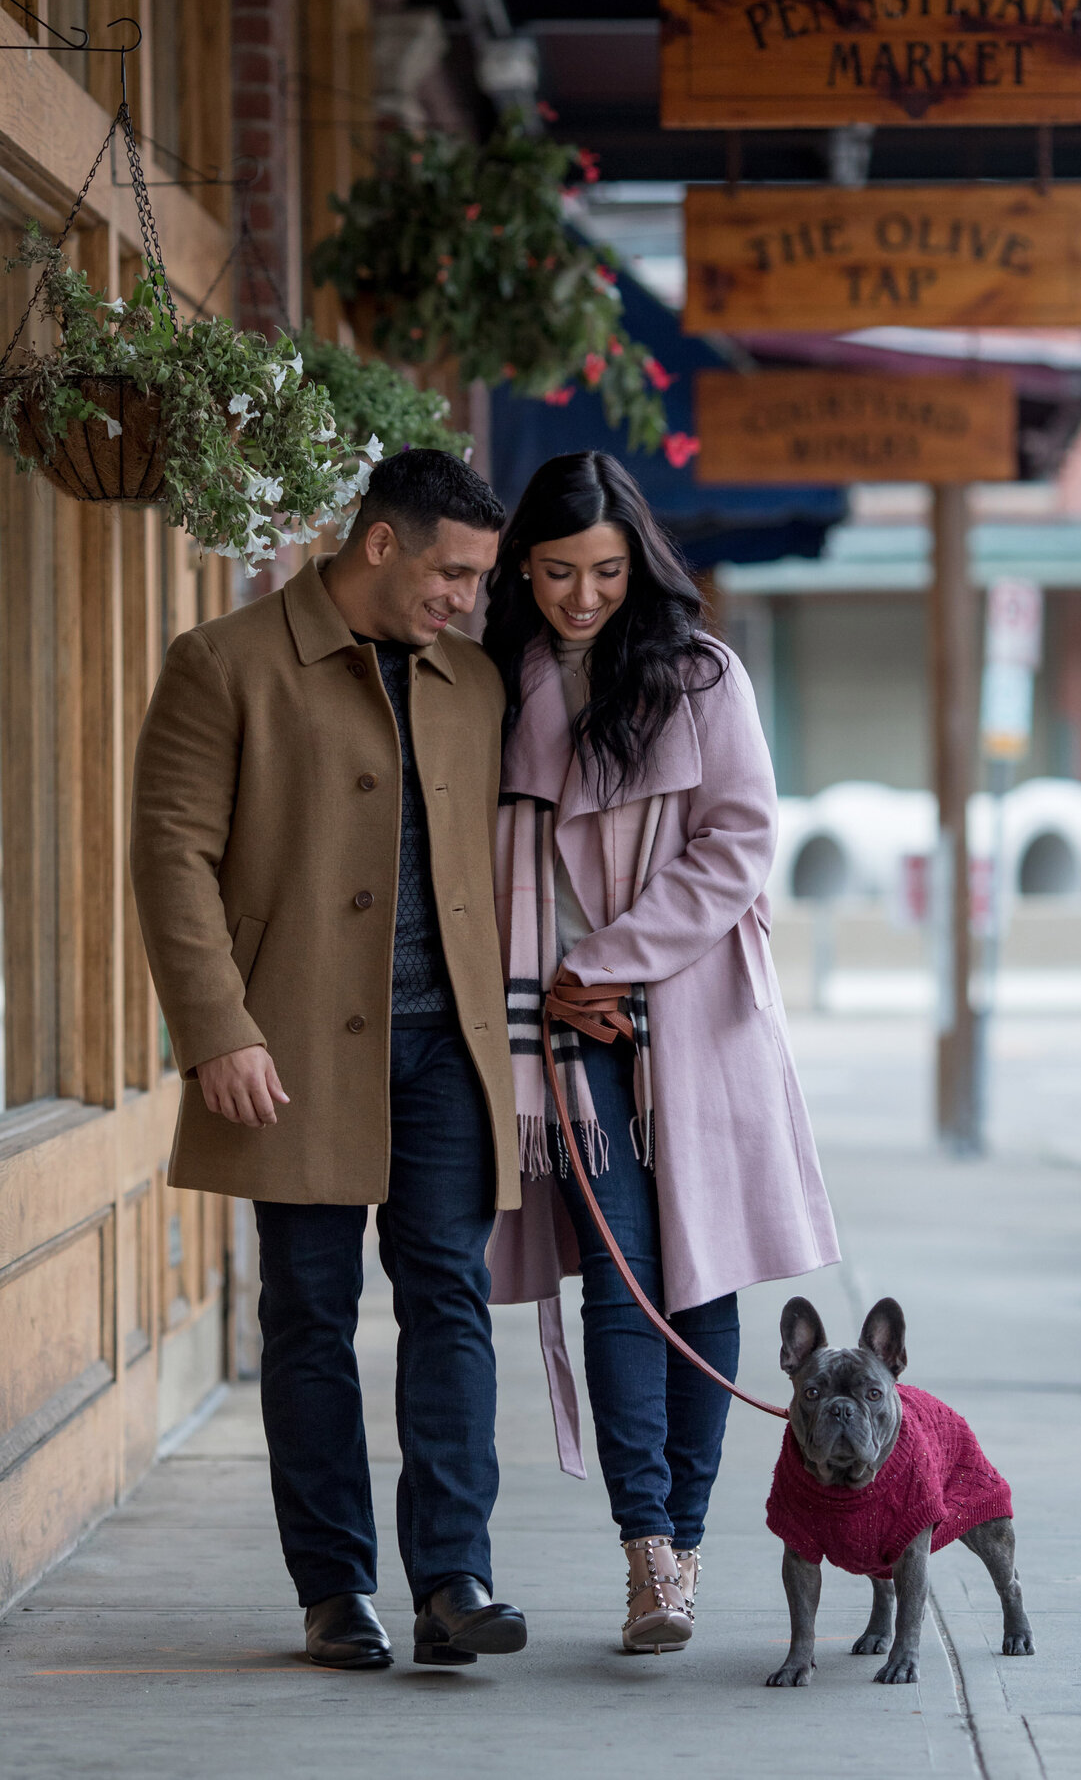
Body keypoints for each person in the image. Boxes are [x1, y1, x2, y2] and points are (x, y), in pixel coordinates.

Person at [130, 450, 528, 1673]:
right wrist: (219, 1029)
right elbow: (170, 856)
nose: (467, 598)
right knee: (308, 1313)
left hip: (447, 1050)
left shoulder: (474, 683)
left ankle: (454, 1575)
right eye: (454, 572)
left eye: (479, 579)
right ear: (379, 545)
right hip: (288, 1048)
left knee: (450, 1301)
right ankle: (332, 1588)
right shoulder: (225, 663)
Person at [483, 450, 840, 1654]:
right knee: (624, 1274)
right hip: (562, 1033)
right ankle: (647, 1548)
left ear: (639, 562)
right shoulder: (499, 679)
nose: (582, 596)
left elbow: (739, 839)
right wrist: (552, 987)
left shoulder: (700, 674)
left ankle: (682, 1543)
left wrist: (612, 959)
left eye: (604, 571)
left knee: (703, 1276)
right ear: (520, 566)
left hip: (687, 1014)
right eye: (557, 572)